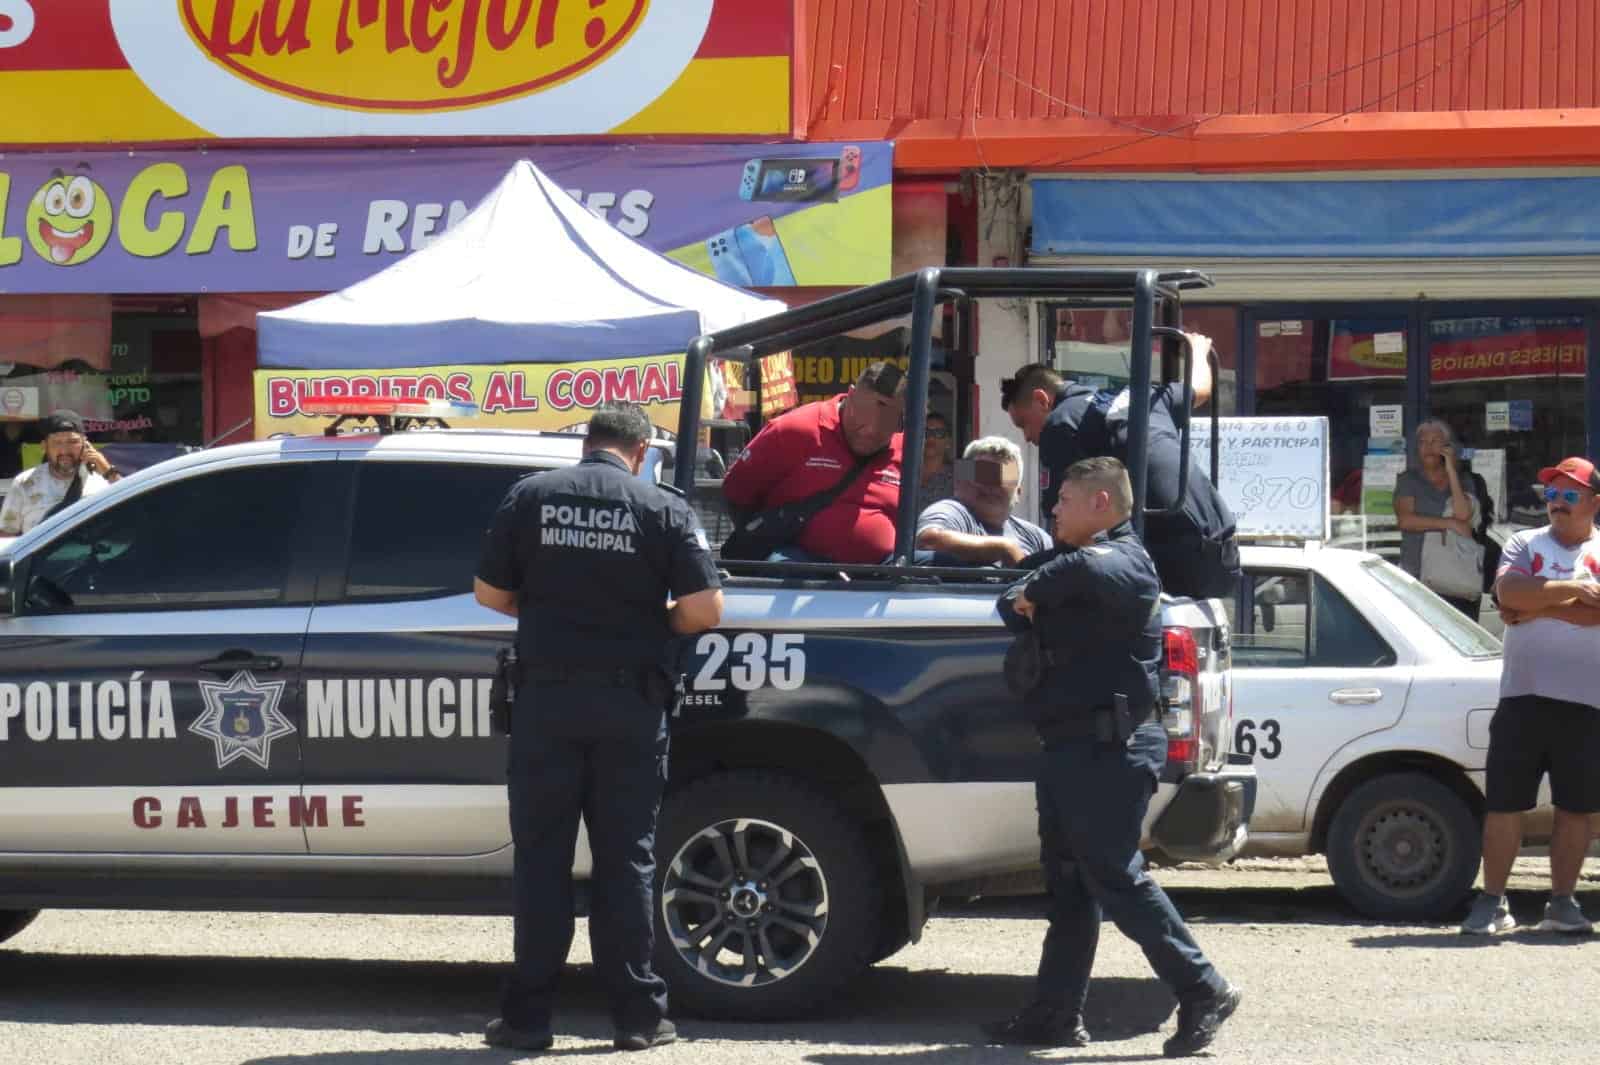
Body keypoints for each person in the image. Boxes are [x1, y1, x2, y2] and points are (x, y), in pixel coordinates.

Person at [474, 402, 724, 1051]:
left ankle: (528, 1020)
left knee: (542, 862)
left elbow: (488, 593)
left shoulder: (532, 496)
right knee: (627, 861)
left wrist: (551, 607)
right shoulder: (662, 506)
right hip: (629, 708)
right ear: (639, 451)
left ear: (588, 443)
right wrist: (652, 624)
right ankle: (638, 1018)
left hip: (546, 706)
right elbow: (704, 609)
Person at [985, 456, 1240, 1057]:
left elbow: (1057, 582)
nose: (1052, 510)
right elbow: (1010, 600)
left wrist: (1042, 591)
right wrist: (1040, 590)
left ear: (1100, 504)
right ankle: (1055, 1015)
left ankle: (1203, 987)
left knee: (1115, 875)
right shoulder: (1079, 563)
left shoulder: (1125, 561)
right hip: (1071, 746)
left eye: (1065, 501)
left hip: (1113, 747)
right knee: (1071, 886)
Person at [1459, 455, 1600, 937]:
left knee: (1577, 808)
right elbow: (1511, 594)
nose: (1557, 505)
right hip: (1523, 698)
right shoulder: (1524, 541)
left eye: (1570, 495)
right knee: (1504, 804)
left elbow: (1531, 605)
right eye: (1552, 495)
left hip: (1587, 703)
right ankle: (1492, 902)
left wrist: (1539, 607)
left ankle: (1562, 903)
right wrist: (1576, 591)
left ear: (1594, 503)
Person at [1000, 337, 1239, 600]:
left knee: (1028, 581)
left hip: (1172, 559)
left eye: (1024, 424)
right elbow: (1201, 389)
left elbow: (1064, 532)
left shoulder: (1061, 423)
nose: (1027, 437)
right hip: (1223, 554)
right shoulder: (1142, 396)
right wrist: (1198, 349)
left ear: (1041, 399)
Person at [721, 361, 905, 564]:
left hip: (884, 572)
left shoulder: (906, 447)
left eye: (883, 426)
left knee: (940, 562)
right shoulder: (795, 429)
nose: (870, 431)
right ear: (851, 395)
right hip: (799, 563)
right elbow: (736, 491)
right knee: (783, 568)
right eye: (861, 419)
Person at [1394, 420, 1486, 619]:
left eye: (1435, 441)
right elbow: (1406, 521)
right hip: (1416, 574)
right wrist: (1449, 523)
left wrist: (1451, 469)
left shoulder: (1464, 480)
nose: (1428, 447)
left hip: (1455, 575)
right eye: (1423, 442)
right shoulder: (1409, 479)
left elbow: (1463, 514)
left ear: (1448, 446)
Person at [915, 436, 1050, 567]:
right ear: (959, 482)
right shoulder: (952, 512)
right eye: (982, 474)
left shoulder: (1036, 537)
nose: (990, 484)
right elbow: (929, 541)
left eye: (1001, 477)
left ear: (1018, 493)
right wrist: (1004, 549)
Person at [0, 409, 120, 537]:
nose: (65, 450)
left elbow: (131, 512)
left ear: (85, 444)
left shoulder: (103, 479)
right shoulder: (25, 483)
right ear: (44, 446)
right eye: (57, 442)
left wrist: (108, 472)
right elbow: (7, 535)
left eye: (72, 442)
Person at [916, 411, 955, 512]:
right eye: (926, 432)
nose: (931, 437)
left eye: (939, 433)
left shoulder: (960, 474)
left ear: (948, 441)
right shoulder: (902, 471)